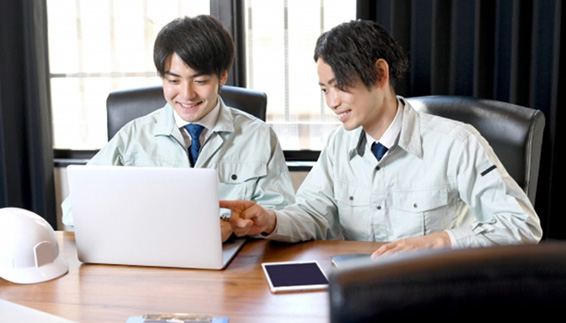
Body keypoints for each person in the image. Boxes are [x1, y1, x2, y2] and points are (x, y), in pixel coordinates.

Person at [220, 19, 542, 256]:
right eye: (324, 90)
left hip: (435, 290)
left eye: (340, 86)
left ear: (380, 74)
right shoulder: (337, 144)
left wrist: (440, 240)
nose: (332, 102)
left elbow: (521, 225)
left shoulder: (457, 143)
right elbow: (314, 214)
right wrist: (271, 220)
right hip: (359, 292)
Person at [62, 15, 295, 242]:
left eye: (200, 81)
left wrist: (231, 227)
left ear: (222, 77)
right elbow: (73, 211)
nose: (186, 95)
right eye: (173, 81)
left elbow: (281, 214)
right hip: (150, 258)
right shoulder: (133, 136)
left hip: (235, 264)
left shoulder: (259, 136)